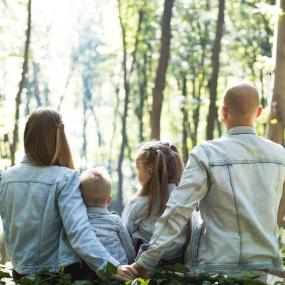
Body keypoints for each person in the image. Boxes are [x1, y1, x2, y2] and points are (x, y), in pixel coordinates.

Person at [118, 82, 285, 278]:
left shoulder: (207, 153)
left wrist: (146, 261)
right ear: (258, 112)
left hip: (216, 270)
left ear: (223, 111)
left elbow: (178, 210)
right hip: (266, 270)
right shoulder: (279, 154)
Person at [0, 108, 136, 281]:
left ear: (27, 134)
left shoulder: (5, 179)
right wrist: (110, 267)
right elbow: (79, 232)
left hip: (20, 274)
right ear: (58, 137)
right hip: (57, 275)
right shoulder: (65, 178)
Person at [122, 141, 188, 262]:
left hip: (144, 266)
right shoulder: (185, 200)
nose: (137, 173)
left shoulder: (137, 203)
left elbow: (124, 235)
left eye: (138, 168)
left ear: (150, 171)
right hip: (178, 263)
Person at [80, 167, 135, 265]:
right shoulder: (115, 221)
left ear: (81, 200)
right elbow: (128, 248)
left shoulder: (79, 222)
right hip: (119, 269)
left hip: (90, 272)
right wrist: (131, 262)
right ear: (109, 200)